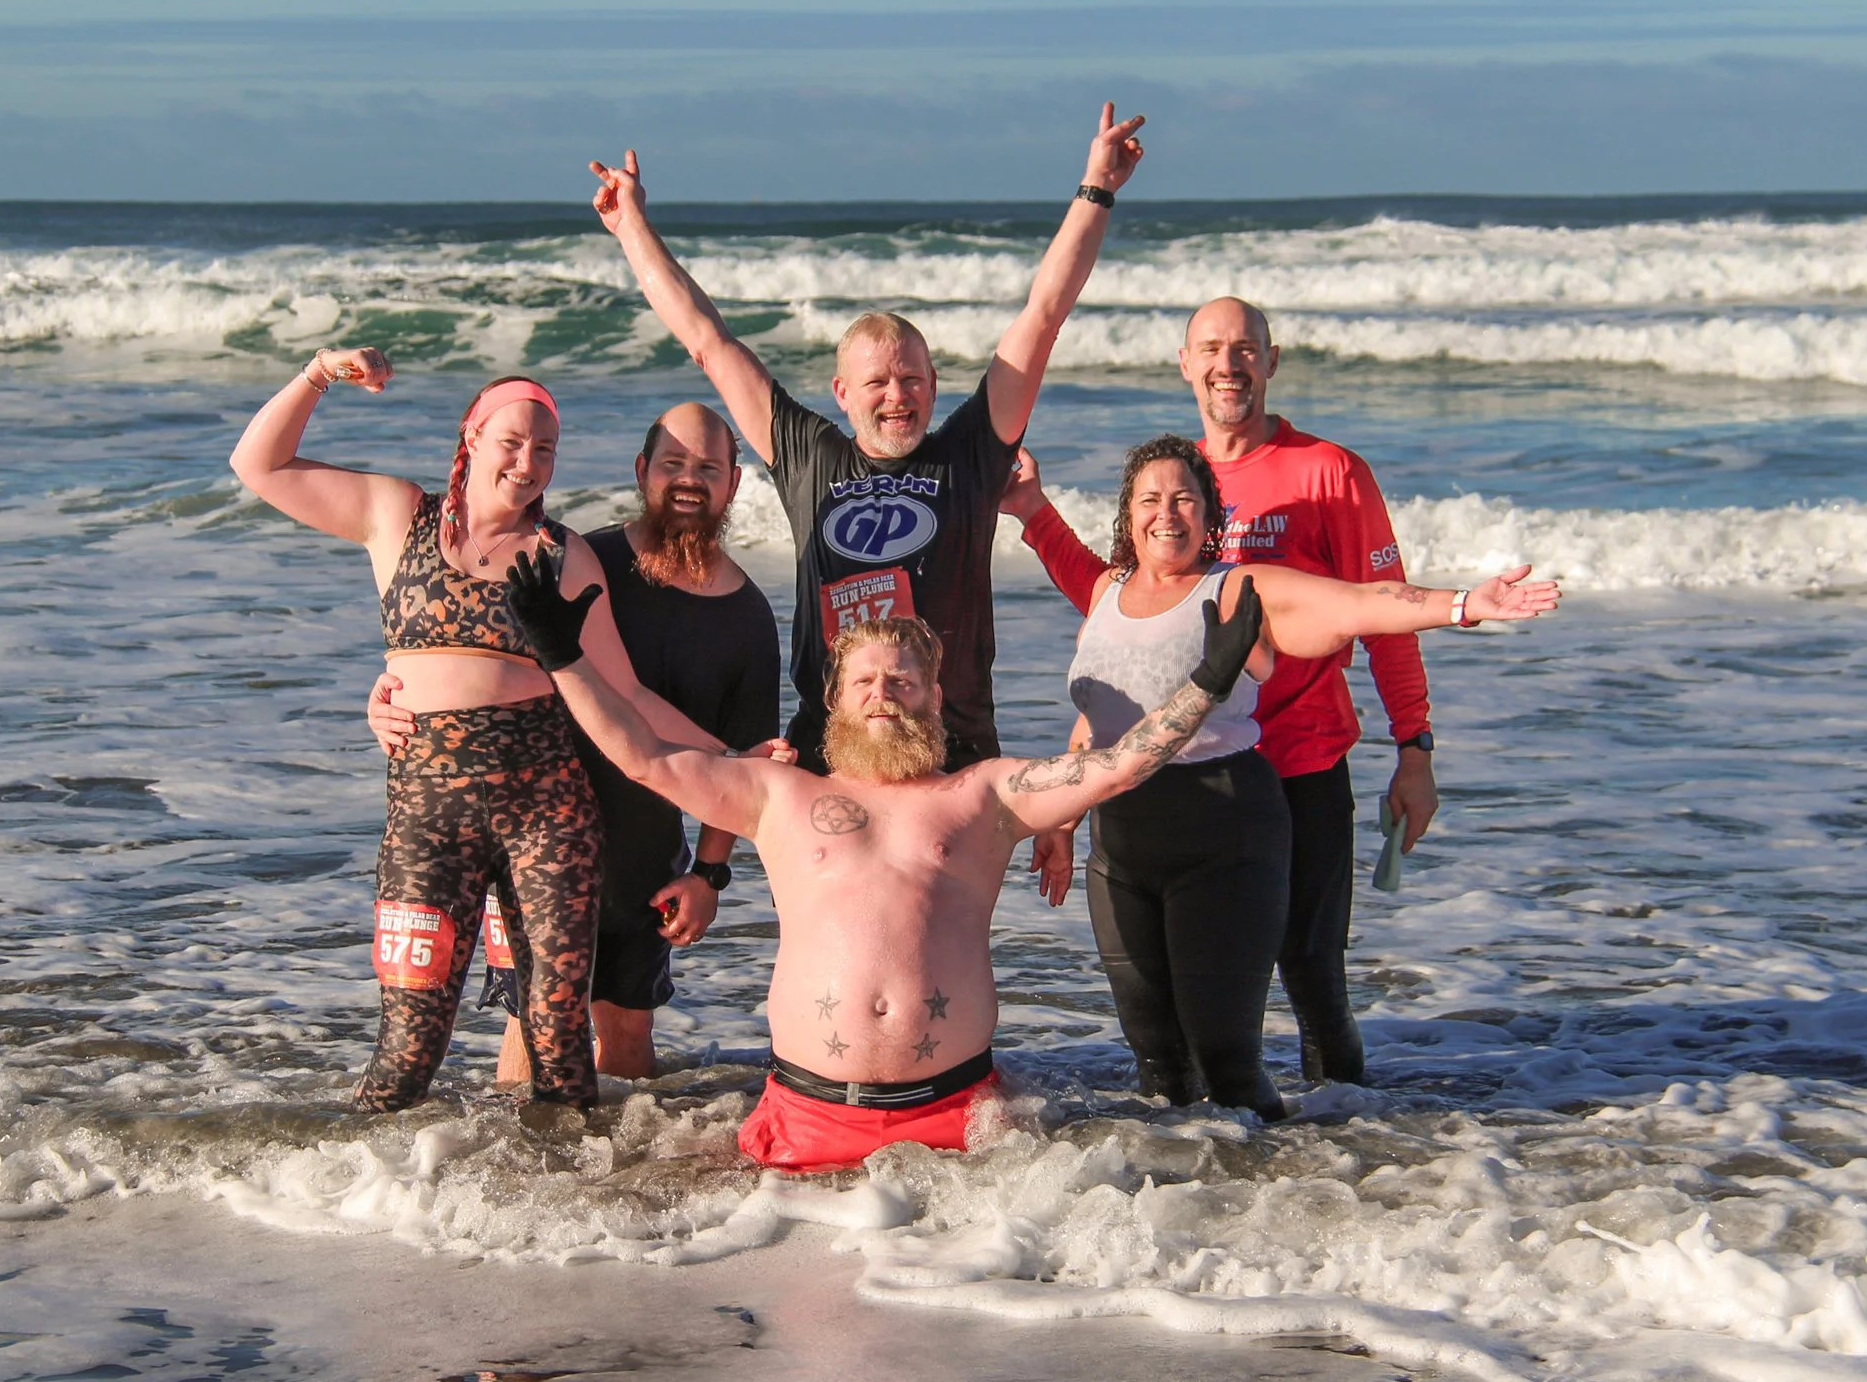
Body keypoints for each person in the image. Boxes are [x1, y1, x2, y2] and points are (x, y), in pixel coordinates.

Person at [497, 548, 1265, 1172]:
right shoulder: (777, 794)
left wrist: (1206, 682)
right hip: (803, 1117)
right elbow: (643, 757)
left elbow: (1117, 766)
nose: (883, 693)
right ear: (835, 699)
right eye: (864, 680)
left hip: (962, 1123)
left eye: (903, 680)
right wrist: (563, 655)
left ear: (934, 698)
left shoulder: (986, 794)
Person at [584, 102, 1149, 900]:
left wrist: (1096, 189)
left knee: (943, 944)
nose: (897, 395)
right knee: (836, 939)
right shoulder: (808, 454)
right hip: (833, 748)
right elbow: (708, 341)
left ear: (935, 386)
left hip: (952, 749)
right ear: (842, 392)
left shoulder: (969, 453)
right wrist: (632, 227)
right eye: (877, 381)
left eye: (912, 378)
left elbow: (1043, 315)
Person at [228, 347, 721, 1112]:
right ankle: (358, 1180)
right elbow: (258, 465)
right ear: (472, 436)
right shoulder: (397, 515)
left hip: (548, 820)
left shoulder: (564, 557)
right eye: (512, 442)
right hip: (427, 822)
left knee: (558, 1044)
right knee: (407, 1049)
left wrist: (732, 755)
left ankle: (565, 1183)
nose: (527, 463)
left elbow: (625, 695)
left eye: (545, 449)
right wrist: (319, 373)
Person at [1003, 296, 1435, 1085]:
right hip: (1185, 774)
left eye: (1243, 348)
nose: (1227, 364)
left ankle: (1352, 1138)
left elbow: (1382, 612)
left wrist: (1415, 746)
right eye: (1210, 348)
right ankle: (1210, 1144)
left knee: (1312, 974)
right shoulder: (1176, 483)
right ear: (1185, 364)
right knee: (1186, 1008)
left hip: (1298, 764)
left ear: (1271, 361)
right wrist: (1033, 513)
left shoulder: (1330, 473)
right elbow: (1118, 604)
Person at [1057, 436, 1557, 1117]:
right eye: (1150, 499)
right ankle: (1178, 1182)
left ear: (1211, 516)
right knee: (1156, 1061)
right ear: (1128, 513)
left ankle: (1303, 1170)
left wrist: (1465, 603)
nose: (1166, 514)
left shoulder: (1239, 589)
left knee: (1228, 1064)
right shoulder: (1106, 592)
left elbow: (1362, 602)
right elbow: (1096, 719)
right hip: (1120, 850)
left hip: (1223, 839)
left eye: (1184, 499)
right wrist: (1062, 820)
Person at [365, 403, 781, 1081]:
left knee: (628, 1035)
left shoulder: (748, 617)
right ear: (642, 471)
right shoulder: (574, 559)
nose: (688, 480)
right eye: (672, 463)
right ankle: (514, 1154)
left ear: (733, 483)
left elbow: (746, 761)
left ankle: (623, 1155)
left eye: (708, 468)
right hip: (535, 838)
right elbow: (464, 647)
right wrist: (390, 693)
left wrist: (708, 873)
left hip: (646, 855)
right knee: (529, 1030)